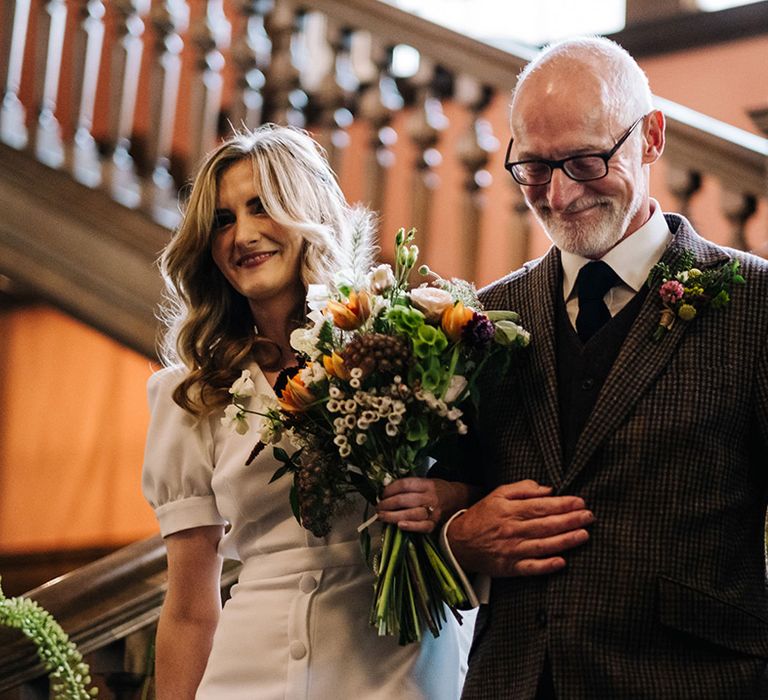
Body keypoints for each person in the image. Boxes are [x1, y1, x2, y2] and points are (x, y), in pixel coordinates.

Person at [400, 36, 768, 699]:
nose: (561, 194)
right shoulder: (480, 319)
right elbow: (424, 519)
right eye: (536, 167)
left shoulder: (757, 304)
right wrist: (459, 539)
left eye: (586, 160)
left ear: (651, 137)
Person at [141, 124, 473, 699]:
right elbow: (191, 609)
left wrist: (447, 498)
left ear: (306, 211)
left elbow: (481, 484)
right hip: (249, 672)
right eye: (222, 221)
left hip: (395, 664)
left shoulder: (402, 345)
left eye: (261, 207)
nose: (241, 235)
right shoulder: (194, 397)